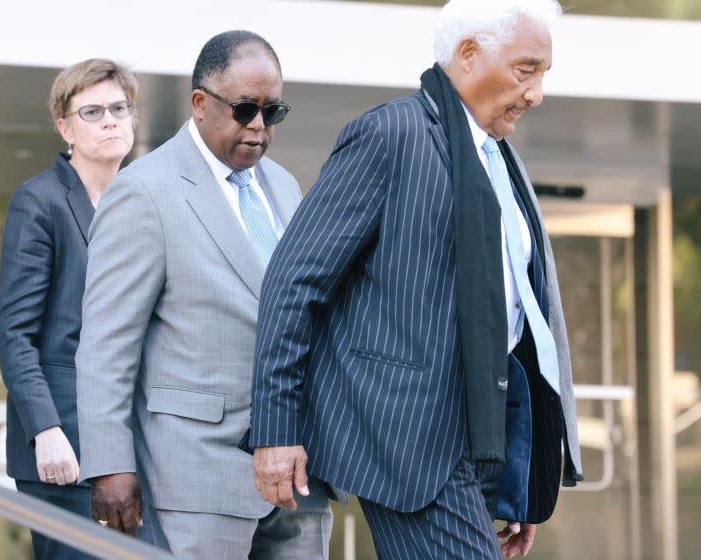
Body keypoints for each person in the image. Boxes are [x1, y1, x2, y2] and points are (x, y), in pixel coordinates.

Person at [248, 1, 583, 558]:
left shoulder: (500, 159)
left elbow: (524, 313)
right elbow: (293, 282)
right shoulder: (389, 134)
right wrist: (276, 430)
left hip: (483, 441)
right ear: (469, 55)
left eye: (543, 75)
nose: (536, 94)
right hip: (408, 441)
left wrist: (520, 480)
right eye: (527, 70)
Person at [76, 30, 333, 558]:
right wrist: (110, 465)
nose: (259, 127)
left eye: (272, 112)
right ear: (199, 104)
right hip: (195, 477)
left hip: (297, 469)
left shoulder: (283, 185)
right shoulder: (144, 190)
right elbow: (106, 345)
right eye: (245, 110)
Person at [0, 58, 137, 560]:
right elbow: (15, 332)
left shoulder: (142, 200)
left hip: (132, 445)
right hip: (63, 450)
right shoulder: (39, 201)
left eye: (119, 108)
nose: (110, 121)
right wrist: (45, 429)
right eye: (92, 111)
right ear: (65, 127)